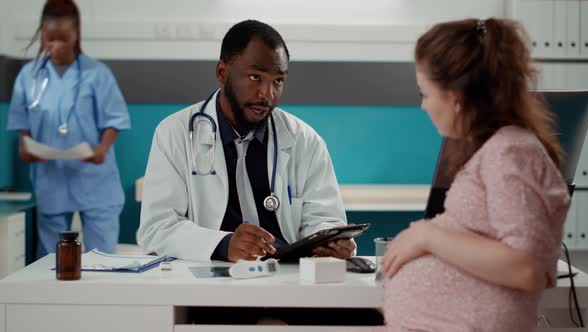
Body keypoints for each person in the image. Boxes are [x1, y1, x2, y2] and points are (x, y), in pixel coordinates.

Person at [379, 18, 571, 331]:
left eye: (425, 94)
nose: (424, 106)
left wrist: (428, 236)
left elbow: (528, 267)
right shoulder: (497, 150)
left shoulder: (511, 152)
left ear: (456, 97)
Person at [138, 20, 355, 262]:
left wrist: (328, 241)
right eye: (255, 77)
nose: (267, 94)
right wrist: (223, 244)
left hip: (288, 278)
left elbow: (323, 218)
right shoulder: (175, 133)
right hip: (211, 275)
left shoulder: (305, 140)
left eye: (278, 81)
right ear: (222, 72)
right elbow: (157, 229)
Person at [7, 0, 130, 257]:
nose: (56, 46)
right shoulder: (28, 76)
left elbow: (114, 121)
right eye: (50, 39)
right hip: (51, 178)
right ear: (42, 34)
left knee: (102, 260)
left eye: (63, 39)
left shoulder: (97, 73)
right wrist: (25, 147)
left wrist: (102, 149)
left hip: (95, 179)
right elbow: (22, 126)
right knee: (52, 262)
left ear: (76, 34)